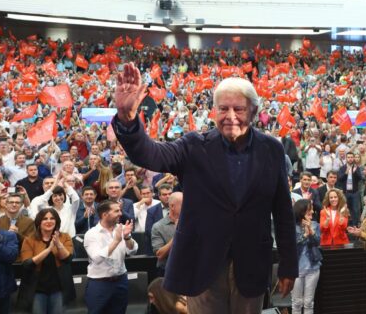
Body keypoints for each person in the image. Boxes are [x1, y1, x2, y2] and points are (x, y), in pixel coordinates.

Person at [113, 70, 297, 313]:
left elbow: (283, 212)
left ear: (253, 111)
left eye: (239, 109)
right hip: (202, 265)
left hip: (251, 264)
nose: (230, 116)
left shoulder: (272, 149)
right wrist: (128, 120)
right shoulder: (193, 146)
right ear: (214, 111)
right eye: (223, 109)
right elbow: (150, 154)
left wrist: (288, 266)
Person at [83, 200, 138, 314]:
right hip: (99, 284)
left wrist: (127, 237)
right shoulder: (91, 234)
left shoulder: (121, 229)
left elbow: (133, 251)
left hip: (120, 281)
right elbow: (97, 258)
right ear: (104, 215)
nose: (120, 214)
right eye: (116, 211)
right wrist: (116, 241)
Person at [17, 208, 75, 313]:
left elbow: (67, 259)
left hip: (59, 288)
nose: (49, 221)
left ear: (56, 221)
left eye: (52, 218)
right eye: (45, 219)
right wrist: (48, 249)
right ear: (39, 222)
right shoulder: (29, 239)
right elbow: (27, 264)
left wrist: (58, 244)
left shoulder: (65, 237)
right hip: (36, 289)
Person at [291, 199, 321, 314]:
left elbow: (318, 242)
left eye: (312, 209)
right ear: (301, 210)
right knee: (297, 303)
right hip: (296, 269)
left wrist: (311, 231)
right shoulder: (292, 226)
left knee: (309, 302)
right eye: (310, 209)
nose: (312, 212)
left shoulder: (315, 225)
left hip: (313, 268)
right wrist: (304, 235)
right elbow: (292, 245)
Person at [151, 192, 183, 277]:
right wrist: (177, 234)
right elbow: (160, 255)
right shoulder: (158, 227)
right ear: (172, 206)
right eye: (183, 205)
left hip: (190, 270)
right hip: (168, 272)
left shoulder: (191, 224)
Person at [336, 152, 363, 226]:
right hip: (345, 192)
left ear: (353, 158)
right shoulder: (342, 168)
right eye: (348, 157)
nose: (350, 159)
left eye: (351, 157)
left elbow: (361, 178)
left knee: (355, 210)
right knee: (345, 210)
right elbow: (339, 179)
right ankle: (345, 226)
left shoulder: (357, 167)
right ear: (346, 158)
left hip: (355, 192)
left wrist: (355, 173)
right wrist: (346, 173)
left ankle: (354, 226)